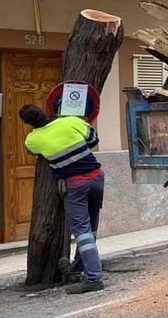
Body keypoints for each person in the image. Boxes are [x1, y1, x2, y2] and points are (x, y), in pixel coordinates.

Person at [19, 104, 105, 294]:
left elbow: (32, 152)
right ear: (45, 111)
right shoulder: (70, 121)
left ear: (28, 124)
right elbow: (93, 138)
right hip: (97, 177)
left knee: (82, 232)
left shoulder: (33, 139)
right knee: (91, 228)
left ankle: (93, 277)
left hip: (76, 184)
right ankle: (78, 267)